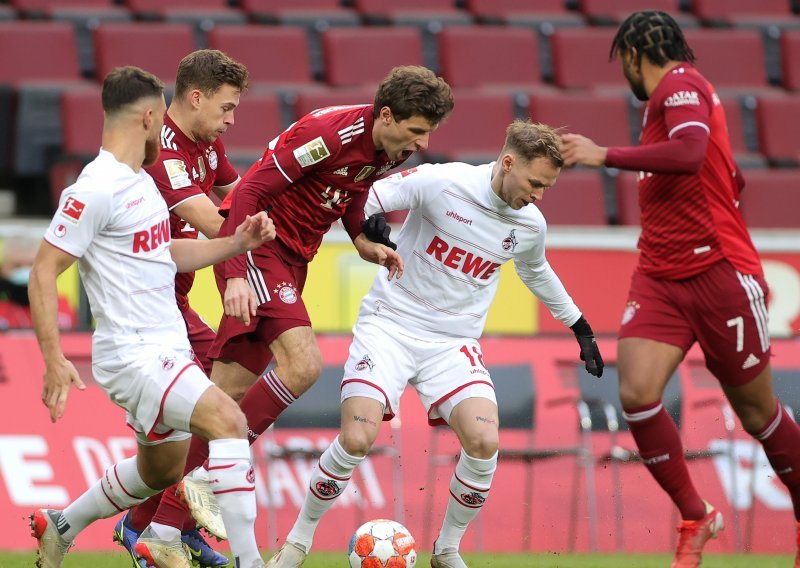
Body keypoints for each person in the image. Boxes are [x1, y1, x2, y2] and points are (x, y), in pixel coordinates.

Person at [264, 119, 604, 568]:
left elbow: (535, 270)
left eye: (546, 187)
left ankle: (446, 551)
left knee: (484, 440)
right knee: (358, 437)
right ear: (507, 163)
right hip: (390, 326)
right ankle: (296, 546)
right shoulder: (442, 181)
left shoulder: (530, 224)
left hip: (453, 343)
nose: (539, 195)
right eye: (535, 183)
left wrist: (579, 326)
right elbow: (367, 195)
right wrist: (369, 224)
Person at [136, 65, 455, 542]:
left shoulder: (389, 148)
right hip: (267, 251)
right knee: (304, 365)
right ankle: (212, 476)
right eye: (416, 131)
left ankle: (153, 527)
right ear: (386, 115)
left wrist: (359, 238)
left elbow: (352, 190)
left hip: (294, 261)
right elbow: (247, 193)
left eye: (427, 133)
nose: (422, 144)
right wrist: (236, 274)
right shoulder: (327, 134)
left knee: (220, 400)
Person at [560, 10, 800, 568]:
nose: (625, 73)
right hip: (662, 277)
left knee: (756, 411)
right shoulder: (661, 107)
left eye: (623, 62)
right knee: (638, 394)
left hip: (719, 273)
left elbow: (691, 155)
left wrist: (604, 155)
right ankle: (696, 515)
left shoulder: (680, 84)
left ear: (636, 54)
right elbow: (718, 169)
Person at [27, 66, 275, 568]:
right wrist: (53, 359)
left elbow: (165, 254)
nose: (165, 127)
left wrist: (234, 243)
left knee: (161, 471)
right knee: (229, 420)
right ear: (147, 116)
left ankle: (63, 524)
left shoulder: (138, 183)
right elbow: (42, 272)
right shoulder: (93, 188)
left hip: (164, 349)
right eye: (162, 115)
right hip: (136, 353)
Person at [111, 48, 249, 568]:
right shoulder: (163, 155)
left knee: (217, 410)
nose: (232, 120)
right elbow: (220, 223)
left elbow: (244, 194)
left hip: (177, 303)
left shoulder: (207, 149)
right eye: (226, 108)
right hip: (147, 310)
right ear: (196, 97)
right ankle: (160, 525)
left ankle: (156, 525)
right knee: (220, 406)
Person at [0, 236, 76, 330]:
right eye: (17, 266)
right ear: (2, 270)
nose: (25, 271)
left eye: (31, 265)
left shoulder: (64, 307)